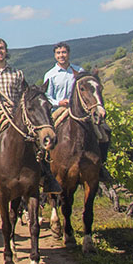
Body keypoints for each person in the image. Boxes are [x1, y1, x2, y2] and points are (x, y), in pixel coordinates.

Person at [0, 37, 61, 193]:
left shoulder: (16, 73)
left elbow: (24, 95)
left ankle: (46, 174)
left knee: (35, 138)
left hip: (14, 112)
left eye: (1, 48)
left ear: (6, 51)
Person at [43, 41, 112, 183]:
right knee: (48, 136)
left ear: (68, 54)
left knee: (105, 131)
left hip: (80, 111)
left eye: (64, 52)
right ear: (55, 56)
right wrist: (59, 102)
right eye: (58, 53)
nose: (61, 55)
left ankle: (100, 167)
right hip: (60, 109)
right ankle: (45, 170)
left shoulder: (78, 71)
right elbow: (47, 96)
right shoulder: (51, 75)